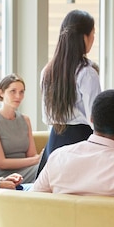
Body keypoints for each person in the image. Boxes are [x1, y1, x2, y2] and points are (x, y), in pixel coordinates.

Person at [37, 9, 101, 177]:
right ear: (83, 37)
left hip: (55, 141)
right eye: (93, 34)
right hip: (81, 140)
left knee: (55, 195)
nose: (93, 39)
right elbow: (95, 119)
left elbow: (46, 117)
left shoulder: (47, 71)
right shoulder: (87, 72)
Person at [0, 74, 41, 184]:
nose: (18, 96)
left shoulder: (25, 120)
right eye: (13, 91)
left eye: (21, 92)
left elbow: (32, 154)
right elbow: (2, 163)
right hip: (6, 175)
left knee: (55, 166)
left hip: (28, 169)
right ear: (1, 92)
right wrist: (36, 160)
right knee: (48, 170)